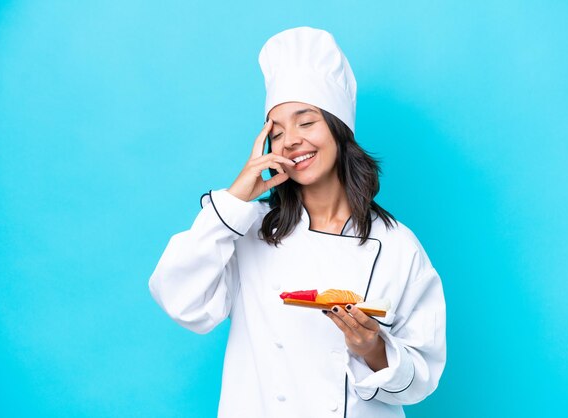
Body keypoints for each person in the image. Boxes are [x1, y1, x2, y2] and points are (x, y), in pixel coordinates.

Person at [149, 27, 446, 418]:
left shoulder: (397, 246)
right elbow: (180, 299)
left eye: (306, 123)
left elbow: (421, 378)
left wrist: (372, 348)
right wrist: (236, 197)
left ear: (340, 131)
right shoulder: (248, 230)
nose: (291, 141)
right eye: (277, 131)